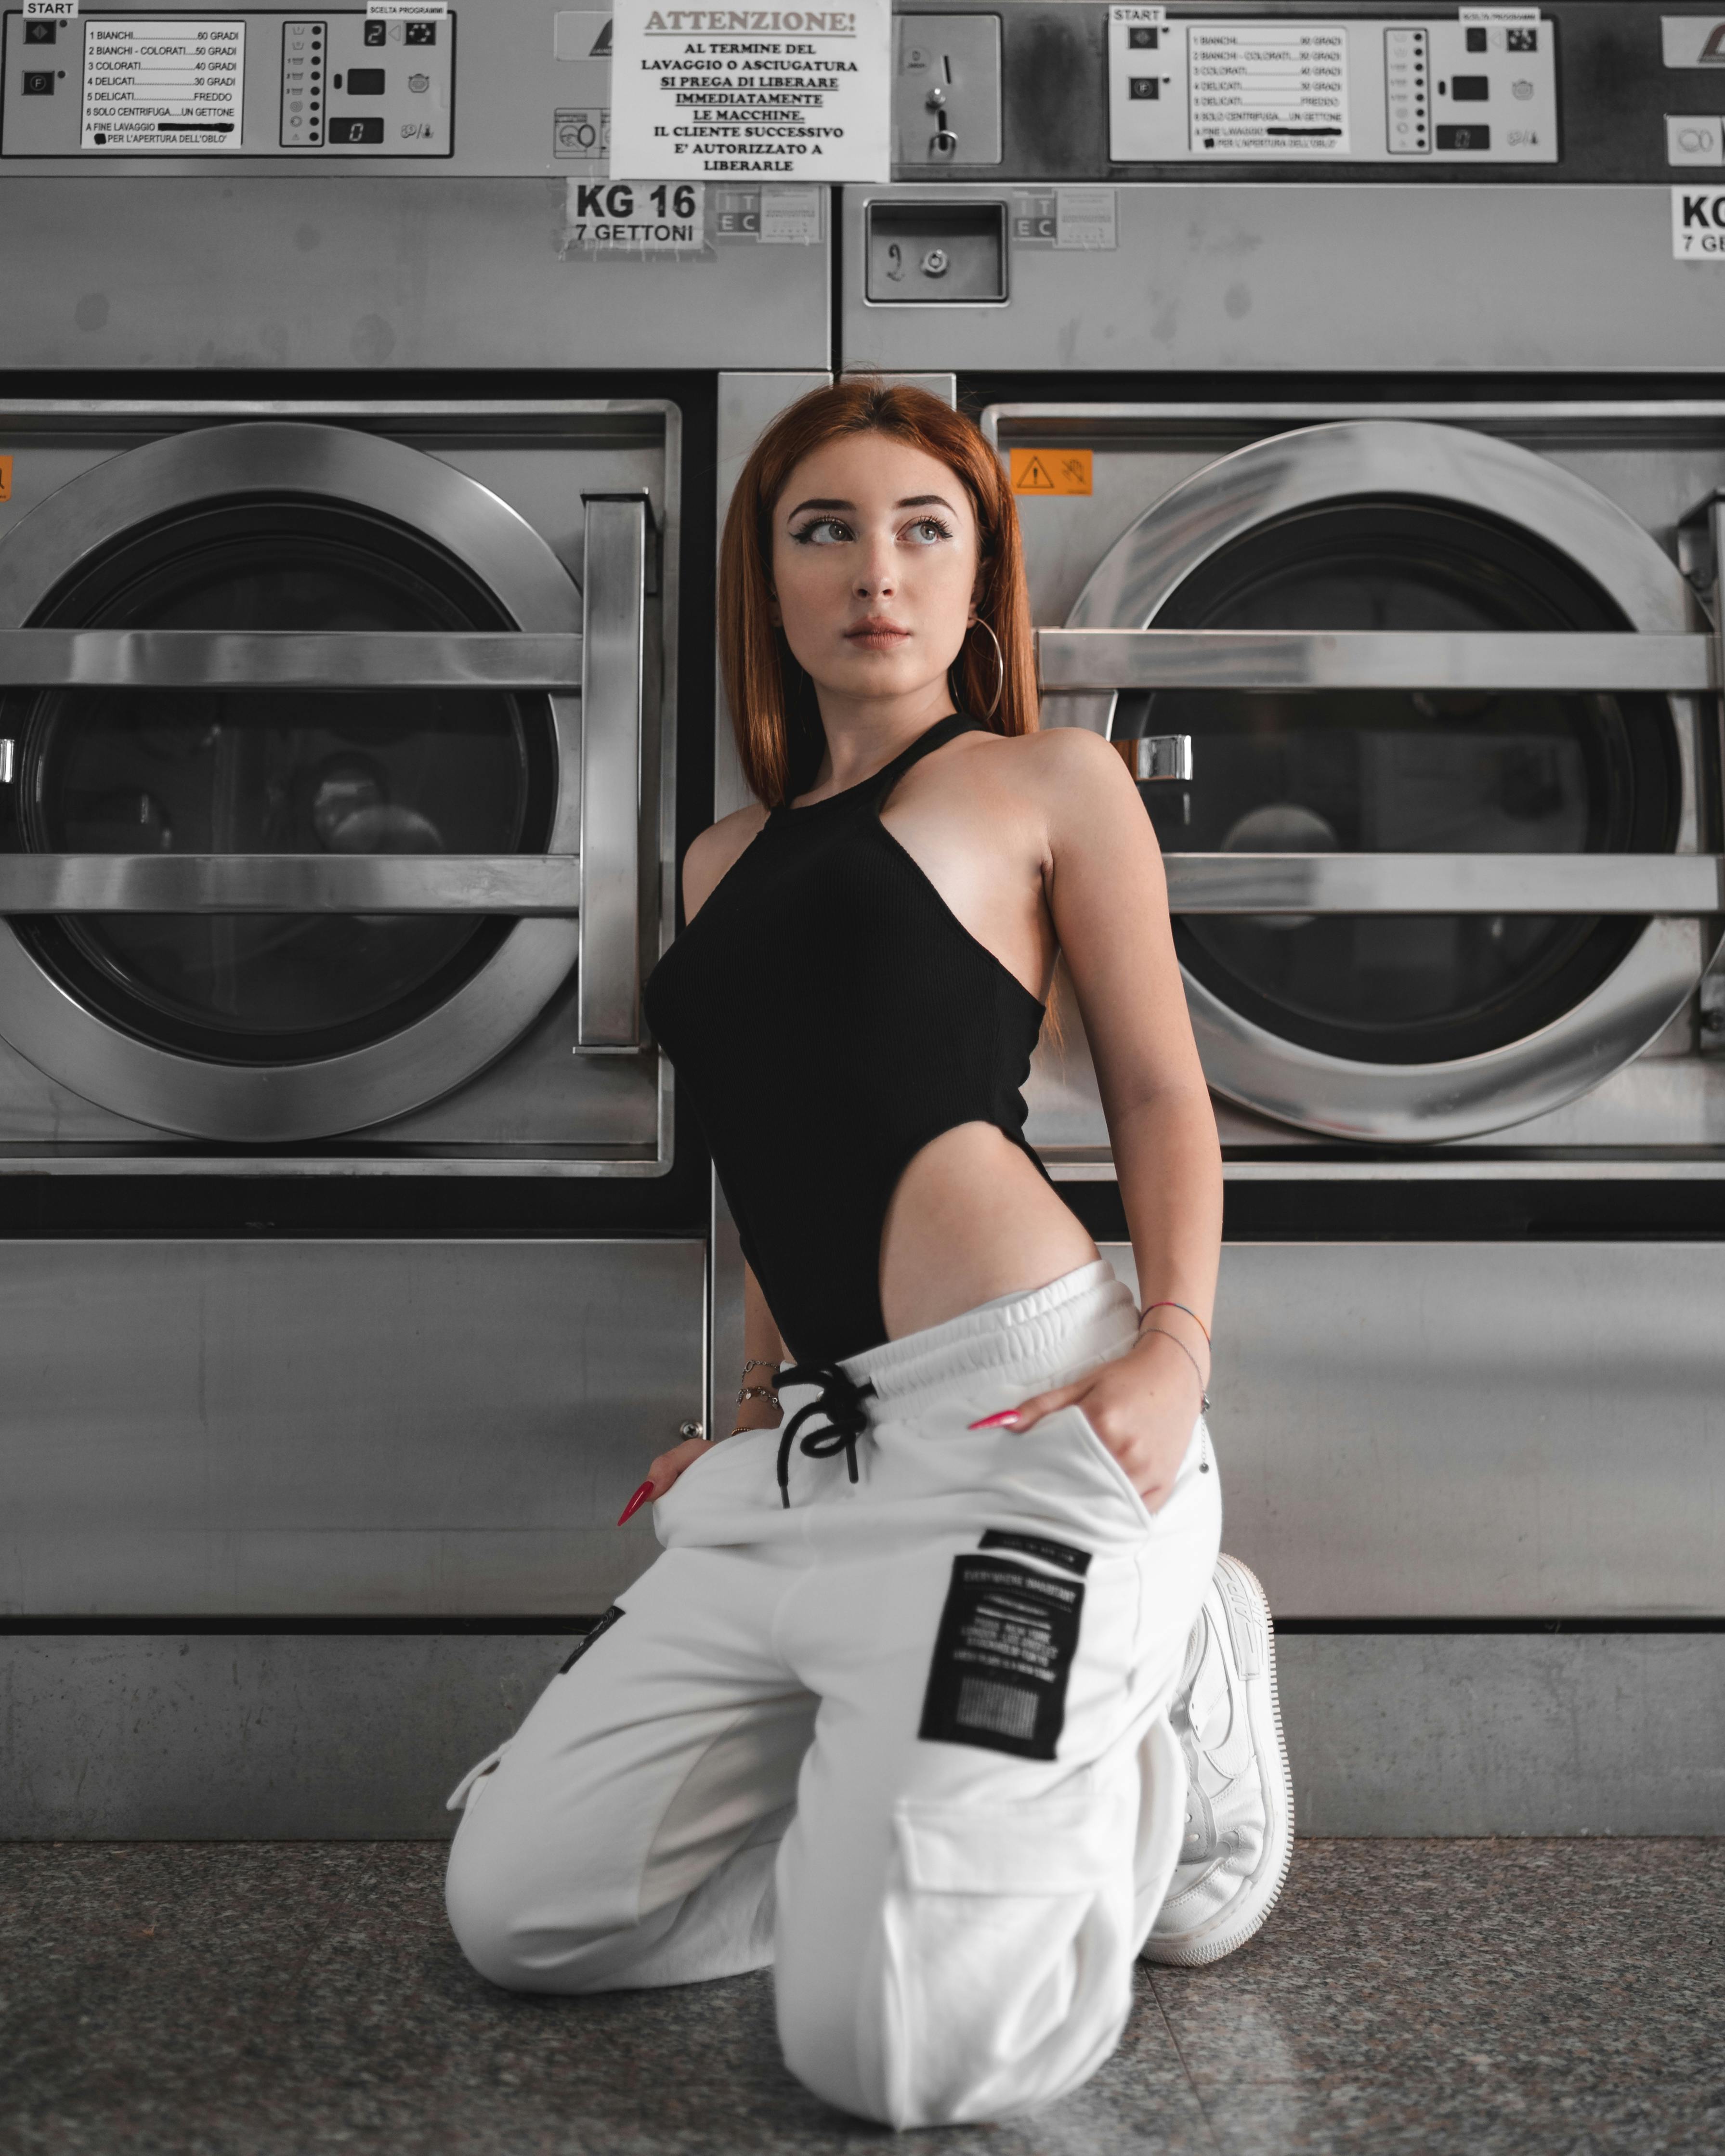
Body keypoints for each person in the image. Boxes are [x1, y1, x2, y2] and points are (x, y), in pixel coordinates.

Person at [444, 380, 1293, 2128]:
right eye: (824, 529)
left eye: (926, 529)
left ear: (982, 583)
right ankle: (903, 1826)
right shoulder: (722, 858)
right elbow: (774, 1151)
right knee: (522, 1915)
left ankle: (1164, 1686)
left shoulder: (1045, 782)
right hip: (815, 1468)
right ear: (768, 583)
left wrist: (1177, 1348)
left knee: (896, 2062)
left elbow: (1155, 1088)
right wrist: (749, 1409)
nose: (876, 572)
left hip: (1025, 1442)